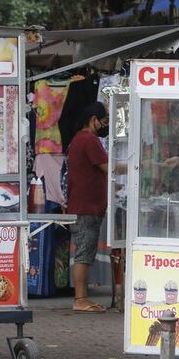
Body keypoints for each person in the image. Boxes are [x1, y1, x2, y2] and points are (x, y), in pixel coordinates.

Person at [67, 102, 109, 313]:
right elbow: (106, 167)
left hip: (84, 205)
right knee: (83, 253)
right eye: (103, 121)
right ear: (94, 119)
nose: (104, 125)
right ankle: (80, 298)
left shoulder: (79, 139)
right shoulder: (89, 140)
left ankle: (82, 297)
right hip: (86, 207)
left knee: (85, 252)